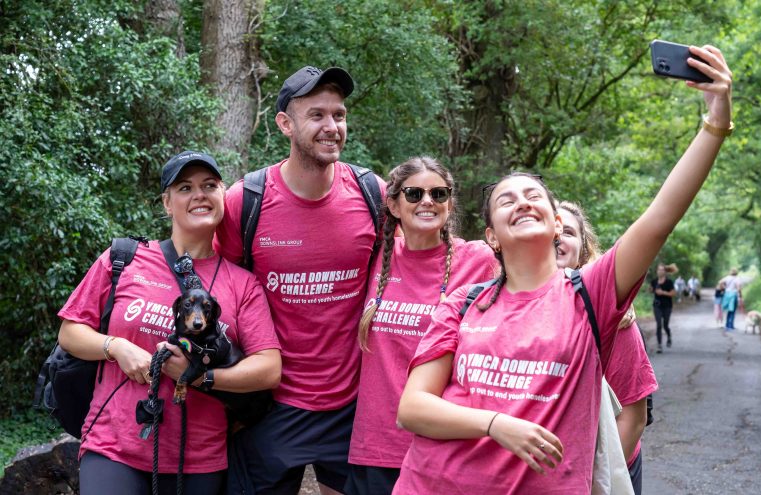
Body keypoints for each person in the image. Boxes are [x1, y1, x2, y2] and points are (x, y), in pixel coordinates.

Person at [392, 44, 731, 494]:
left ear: (557, 224)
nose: (522, 202)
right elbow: (413, 408)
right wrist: (497, 425)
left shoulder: (590, 295)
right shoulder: (464, 303)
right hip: (432, 485)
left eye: (534, 197)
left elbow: (661, 215)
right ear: (491, 235)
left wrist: (715, 122)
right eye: (506, 201)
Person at [57, 151, 282, 495]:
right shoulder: (124, 259)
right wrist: (116, 347)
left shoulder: (242, 283)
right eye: (185, 187)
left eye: (209, 185)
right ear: (166, 202)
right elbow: (70, 332)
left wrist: (201, 377)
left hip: (198, 458)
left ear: (223, 195)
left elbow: (268, 369)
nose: (199, 195)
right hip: (114, 445)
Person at [214, 66, 385, 494]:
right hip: (272, 403)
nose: (332, 127)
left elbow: (414, 266)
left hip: (353, 402)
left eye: (339, 115)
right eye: (317, 116)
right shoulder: (245, 201)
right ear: (285, 124)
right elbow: (223, 291)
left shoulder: (373, 193)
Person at [346, 157, 498, 494]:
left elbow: (531, 283)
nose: (427, 201)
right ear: (394, 205)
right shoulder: (374, 255)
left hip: (441, 446)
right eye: (414, 194)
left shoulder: (477, 259)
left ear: (449, 203)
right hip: (373, 446)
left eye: (438, 194)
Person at [556, 201, 658, 494]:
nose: (558, 238)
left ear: (583, 251)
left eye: (568, 232)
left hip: (608, 468)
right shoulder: (509, 306)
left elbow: (634, 417)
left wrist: (595, 483)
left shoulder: (613, 317)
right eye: (551, 230)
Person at [650, 263, 676, 353]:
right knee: (659, 325)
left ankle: (669, 336)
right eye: (658, 270)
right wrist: (652, 289)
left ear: (665, 272)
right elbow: (650, 290)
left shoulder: (669, 282)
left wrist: (663, 292)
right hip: (657, 306)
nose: (660, 271)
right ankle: (659, 345)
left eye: (662, 270)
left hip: (667, 306)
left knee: (665, 325)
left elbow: (673, 293)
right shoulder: (654, 281)